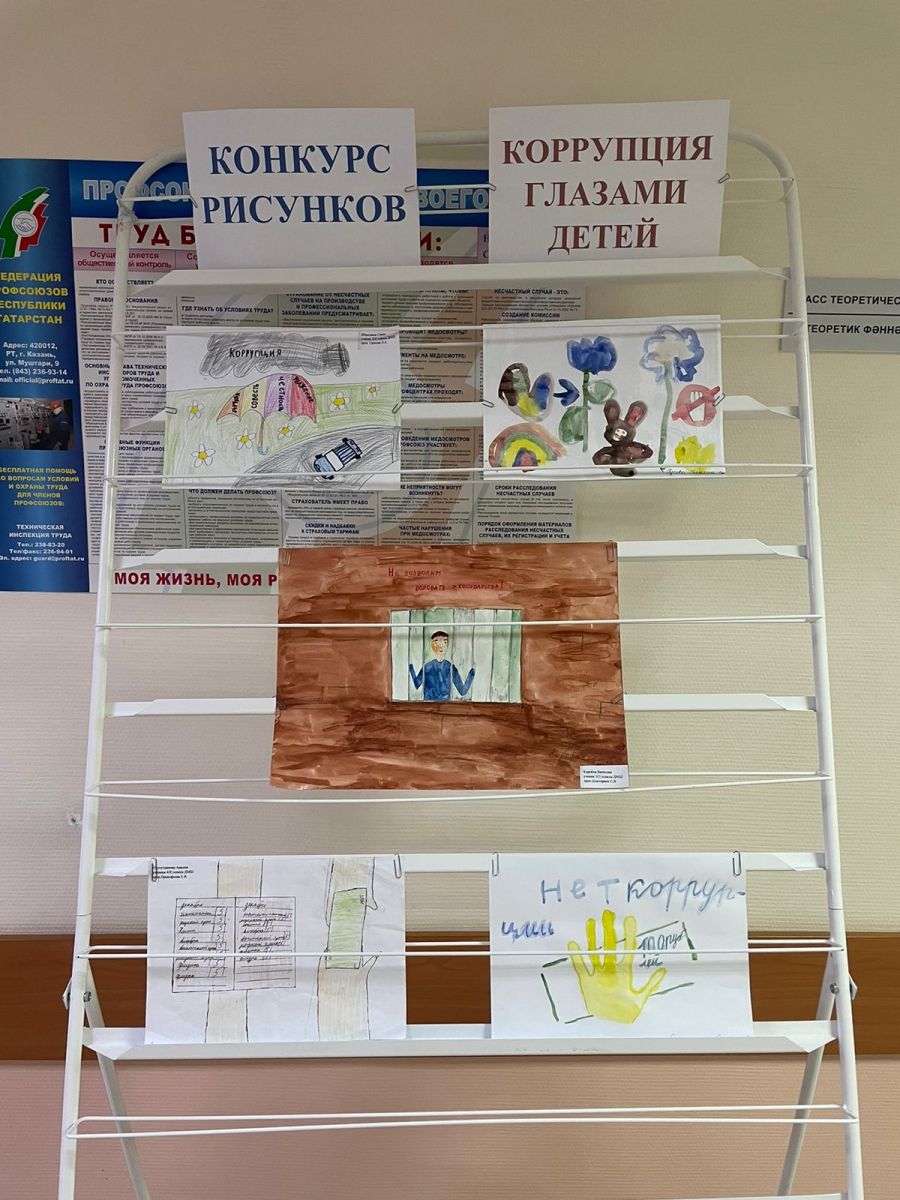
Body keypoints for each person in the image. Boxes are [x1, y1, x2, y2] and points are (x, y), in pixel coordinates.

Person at [409, 630, 475, 702]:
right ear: (432, 645)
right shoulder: (427, 667)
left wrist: (472, 673)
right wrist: (410, 666)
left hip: (445, 706)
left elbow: (462, 691)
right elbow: (417, 684)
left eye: (444, 642)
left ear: (447, 645)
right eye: (436, 642)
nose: (441, 646)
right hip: (429, 705)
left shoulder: (450, 667)